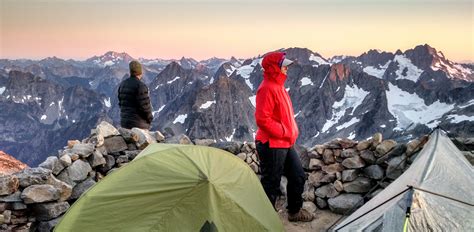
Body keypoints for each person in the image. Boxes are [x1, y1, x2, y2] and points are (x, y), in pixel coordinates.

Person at [255, 52, 313, 222]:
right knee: (271, 183)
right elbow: (262, 119)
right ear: (274, 68)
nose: (287, 68)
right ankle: (264, 220)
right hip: (271, 143)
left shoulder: (278, 86)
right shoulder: (266, 88)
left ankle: (294, 212)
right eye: (284, 65)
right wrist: (285, 132)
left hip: (284, 143)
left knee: (298, 175)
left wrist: (288, 134)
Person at [117, 60, 153, 129]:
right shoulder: (141, 86)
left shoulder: (122, 84)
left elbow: (120, 104)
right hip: (138, 125)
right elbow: (145, 108)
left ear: (130, 72)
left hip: (124, 124)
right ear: (140, 73)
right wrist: (150, 119)